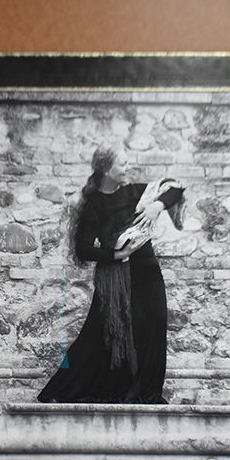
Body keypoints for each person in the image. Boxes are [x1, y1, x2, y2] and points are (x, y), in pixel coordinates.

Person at [38, 147, 185, 403]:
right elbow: (82, 249)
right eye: (123, 164)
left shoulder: (134, 191)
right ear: (107, 170)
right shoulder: (93, 204)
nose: (127, 168)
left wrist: (157, 206)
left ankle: (148, 393)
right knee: (100, 334)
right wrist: (116, 255)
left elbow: (175, 188)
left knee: (155, 322)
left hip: (147, 271)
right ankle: (68, 390)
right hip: (114, 277)